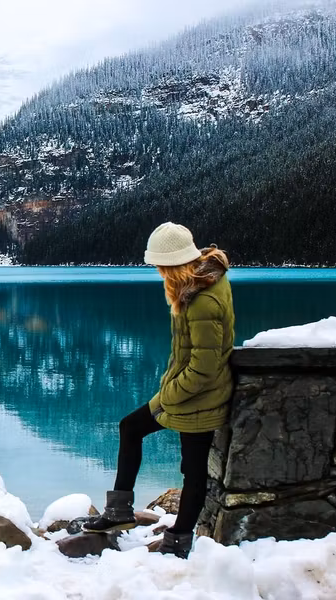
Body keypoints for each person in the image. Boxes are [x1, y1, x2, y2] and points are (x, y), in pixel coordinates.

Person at [82, 222, 235, 559]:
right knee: (130, 426)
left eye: (160, 266)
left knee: (193, 471)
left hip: (200, 398)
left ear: (174, 263)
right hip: (183, 392)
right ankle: (119, 511)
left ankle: (178, 541)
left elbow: (204, 367)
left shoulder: (203, 301)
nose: (157, 272)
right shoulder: (196, 285)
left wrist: (169, 395)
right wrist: (169, 391)